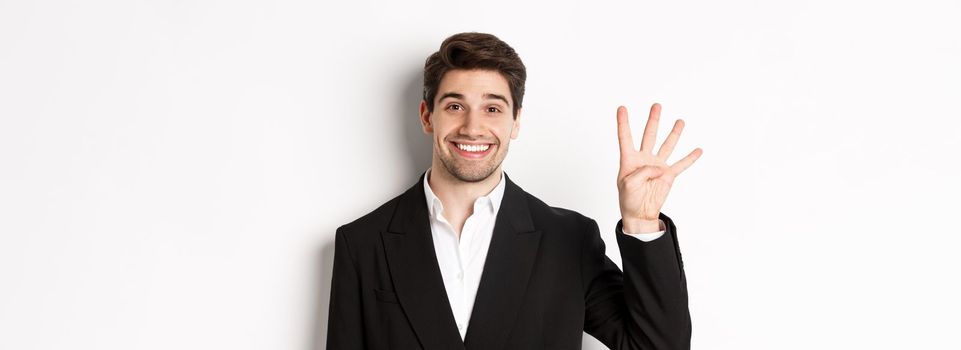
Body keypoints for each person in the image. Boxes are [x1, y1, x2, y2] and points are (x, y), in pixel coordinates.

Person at [326, 32, 703, 350]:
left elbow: (658, 345)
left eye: (493, 109)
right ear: (427, 116)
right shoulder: (362, 244)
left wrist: (641, 221)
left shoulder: (568, 240)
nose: (473, 128)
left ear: (516, 121)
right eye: (455, 105)